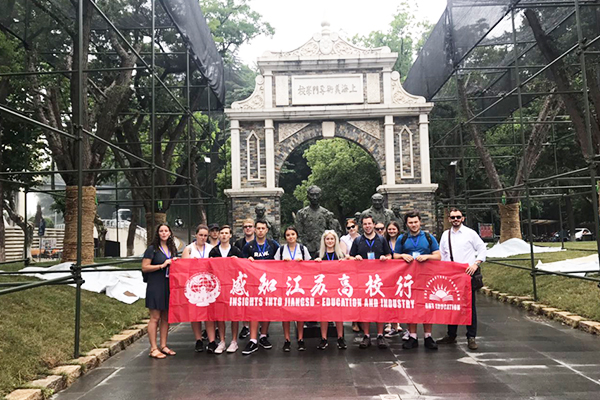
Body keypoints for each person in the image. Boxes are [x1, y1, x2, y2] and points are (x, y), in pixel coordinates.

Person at [437, 208, 487, 351]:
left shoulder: (470, 234)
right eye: (453, 217)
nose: (455, 219)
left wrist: (476, 264)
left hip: (467, 273)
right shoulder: (445, 235)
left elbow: (482, 249)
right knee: (451, 305)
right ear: (449, 219)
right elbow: (443, 254)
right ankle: (451, 334)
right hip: (452, 275)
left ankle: (471, 337)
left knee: (469, 306)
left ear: (463, 218)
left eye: (458, 217)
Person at [394, 210, 441, 350]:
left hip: (426, 277)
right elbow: (395, 255)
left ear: (420, 222)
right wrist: (403, 255)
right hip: (409, 279)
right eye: (410, 223)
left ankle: (428, 336)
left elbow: (438, 256)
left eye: (415, 222)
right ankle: (412, 336)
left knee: (427, 306)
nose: (413, 225)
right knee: (411, 307)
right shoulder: (402, 238)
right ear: (407, 224)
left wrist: (427, 257)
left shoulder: (428, 237)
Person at [349, 215, 392, 349]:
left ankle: (380, 335)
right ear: (362, 226)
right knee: (365, 307)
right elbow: (349, 257)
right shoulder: (357, 241)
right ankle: (366, 335)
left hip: (379, 278)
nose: (367, 226)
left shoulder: (381, 239)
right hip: (363, 279)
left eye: (369, 223)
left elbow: (390, 255)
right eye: (365, 224)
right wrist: (354, 258)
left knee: (380, 306)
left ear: (374, 225)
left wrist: (386, 257)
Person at [241, 220, 280, 355]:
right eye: (258, 228)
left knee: (266, 309)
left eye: (263, 228)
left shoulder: (273, 245)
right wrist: (248, 261)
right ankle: (253, 340)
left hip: (269, 283)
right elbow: (242, 264)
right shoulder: (249, 246)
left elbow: (280, 261)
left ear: (267, 230)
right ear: (255, 230)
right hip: (253, 283)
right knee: (254, 309)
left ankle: (263, 335)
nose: (260, 230)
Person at [142, 224, 178, 359]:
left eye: (166, 231)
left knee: (166, 318)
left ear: (170, 233)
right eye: (161, 231)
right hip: (155, 285)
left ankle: (163, 345)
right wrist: (161, 266)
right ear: (158, 233)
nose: (164, 233)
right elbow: (145, 267)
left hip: (168, 285)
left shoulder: (171, 249)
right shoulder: (152, 249)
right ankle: (153, 348)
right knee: (155, 317)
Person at [274, 226, 312, 352]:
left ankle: (300, 339)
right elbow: (273, 266)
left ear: (297, 236)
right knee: (286, 314)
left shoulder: (302, 248)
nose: (291, 237)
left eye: (293, 234)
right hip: (286, 285)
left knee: (299, 313)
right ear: (285, 237)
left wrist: (302, 263)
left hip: (300, 285)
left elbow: (310, 266)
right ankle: (287, 339)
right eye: (288, 235)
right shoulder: (281, 250)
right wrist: (282, 263)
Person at [206, 225, 242, 354]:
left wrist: (238, 261)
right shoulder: (214, 252)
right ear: (219, 235)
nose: (224, 235)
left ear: (230, 235)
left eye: (227, 233)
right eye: (222, 233)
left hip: (232, 288)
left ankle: (234, 341)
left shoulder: (236, 251)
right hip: (218, 288)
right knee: (220, 315)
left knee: (234, 315)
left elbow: (243, 269)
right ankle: (221, 341)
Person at [181, 224, 214, 353]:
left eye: (206, 235)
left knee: (209, 314)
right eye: (201, 235)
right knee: (195, 314)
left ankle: (211, 341)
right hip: (194, 285)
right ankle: (198, 339)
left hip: (208, 285)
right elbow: (183, 268)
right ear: (196, 235)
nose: (203, 238)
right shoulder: (188, 249)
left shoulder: (211, 249)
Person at [314, 230, 347, 350]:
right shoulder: (319, 255)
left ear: (336, 240)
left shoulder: (340, 255)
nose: (330, 241)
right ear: (324, 241)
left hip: (337, 289)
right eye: (327, 239)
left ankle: (340, 337)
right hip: (324, 289)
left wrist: (346, 262)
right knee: (324, 314)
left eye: (332, 239)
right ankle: (323, 338)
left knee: (339, 314)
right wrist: (316, 263)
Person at [296, 185, 341, 257]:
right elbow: (298, 233)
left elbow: (334, 233)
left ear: (320, 196)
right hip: (306, 250)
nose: (314, 198)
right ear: (308, 196)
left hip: (324, 250)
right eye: (312, 195)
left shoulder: (326, 214)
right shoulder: (301, 214)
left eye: (317, 195)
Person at [233, 218, 255, 339]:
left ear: (254, 228)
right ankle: (245, 326)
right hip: (243, 276)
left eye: (250, 226)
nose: (248, 228)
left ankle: (261, 328)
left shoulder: (260, 242)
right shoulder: (238, 243)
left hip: (258, 277)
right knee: (244, 302)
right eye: (245, 226)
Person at [340, 218, 361, 332]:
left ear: (357, 227)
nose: (351, 229)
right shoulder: (344, 239)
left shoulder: (362, 238)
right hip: (349, 270)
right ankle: (354, 321)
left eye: (353, 226)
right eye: (349, 227)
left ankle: (362, 319)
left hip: (362, 269)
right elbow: (344, 254)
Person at [384, 221, 403, 339]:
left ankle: (398, 322)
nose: (391, 231)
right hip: (387, 273)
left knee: (399, 297)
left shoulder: (402, 240)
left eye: (394, 229)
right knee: (388, 297)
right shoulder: (384, 242)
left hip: (401, 272)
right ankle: (389, 322)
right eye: (389, 229)